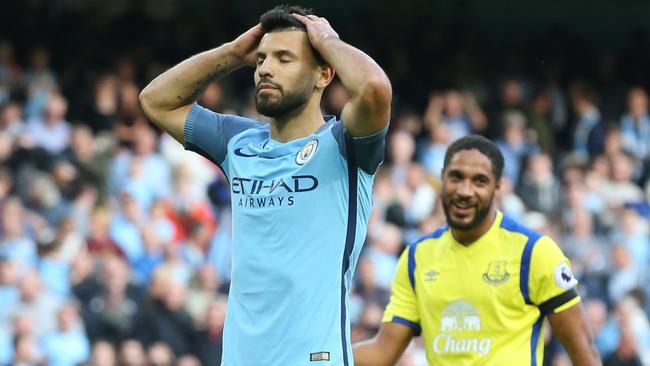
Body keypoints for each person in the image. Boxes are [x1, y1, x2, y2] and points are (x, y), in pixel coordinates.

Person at [139, 5, 391, 366]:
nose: (265, 69)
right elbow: (155, 100)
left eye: (284, 59)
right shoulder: (238, 142)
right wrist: (230, 54)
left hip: (315, 358)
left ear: (324, 74)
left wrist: (328, 41)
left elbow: (375, 89)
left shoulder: (346, 144)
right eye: (260, 60)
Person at [353, 135, 601, 365]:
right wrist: (321, 354)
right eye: (456, 177)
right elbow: (384, 350)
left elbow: (583, 351)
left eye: (479, 181)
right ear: (442, 178)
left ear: (498, 188)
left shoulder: (534, 252)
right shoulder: (417, 257)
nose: (465, 191)